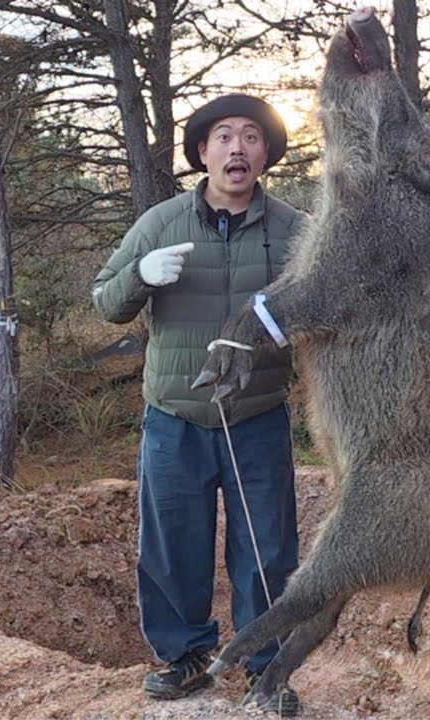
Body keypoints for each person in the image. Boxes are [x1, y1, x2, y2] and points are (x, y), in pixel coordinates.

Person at [92, 94, 306, 716]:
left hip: (257, 416)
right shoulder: (160, 223)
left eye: (250, 137)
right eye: (222, 137)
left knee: (268, 550)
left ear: (266, 151)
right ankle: (185, 658)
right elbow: (106, 300)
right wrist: (140, 275)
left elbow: (331, 310)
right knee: (173, 544)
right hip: (174, 419)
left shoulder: (294, 230)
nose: (236, 148)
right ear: (203, 151)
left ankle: (266, 670)